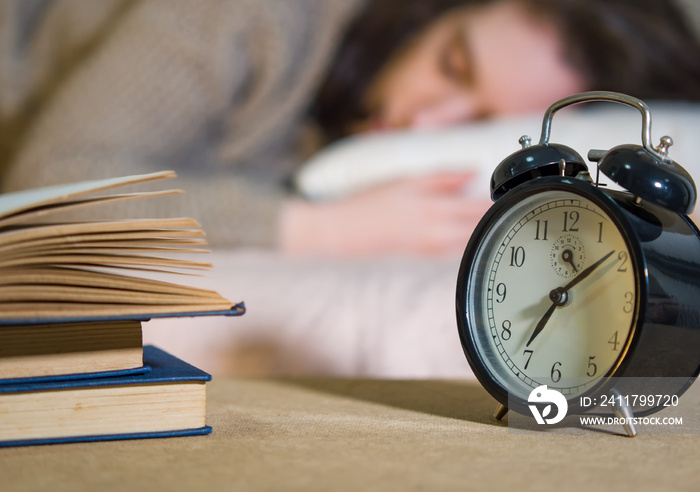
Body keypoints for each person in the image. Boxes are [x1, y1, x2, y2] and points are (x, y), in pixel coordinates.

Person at [1, 0, 699, 256]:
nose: (425, 122)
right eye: (453, 65)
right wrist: (316, 232)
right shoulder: (255, 17)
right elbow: (48, 186)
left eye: (484, 125)